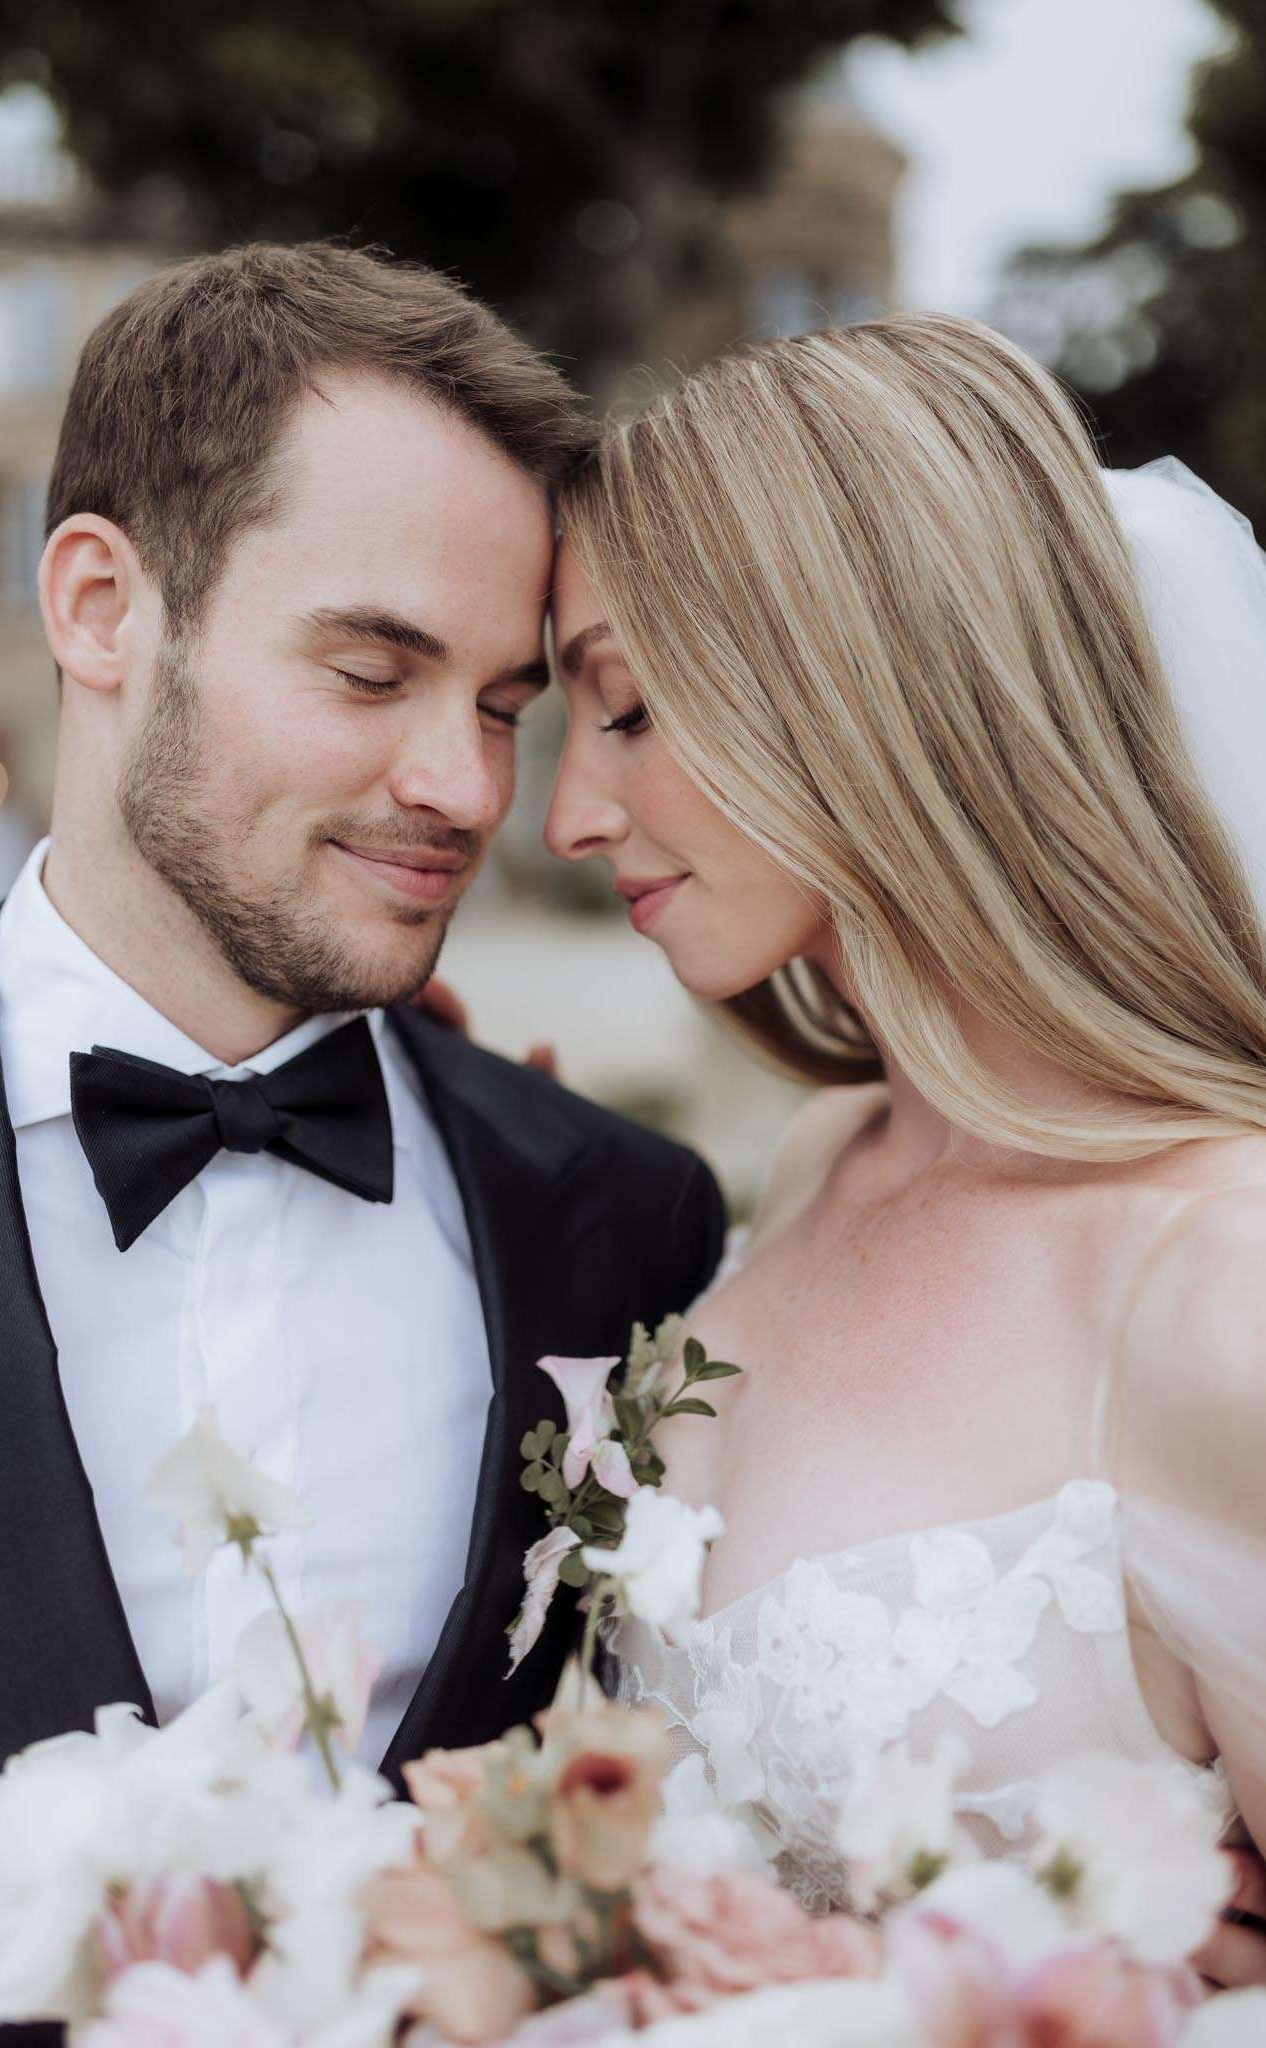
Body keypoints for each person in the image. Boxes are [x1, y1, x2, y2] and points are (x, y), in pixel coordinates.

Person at [0, 241, 725, 2045]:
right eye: (372, 672)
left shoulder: (621, 1222)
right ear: (104, 607)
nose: (468, 790)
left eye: (503, 705)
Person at [545, 312, 1266, 1983]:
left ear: (866, 683)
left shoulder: (1215, 1289)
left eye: (631, 708)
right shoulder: (814, 1166)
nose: (573, 813)